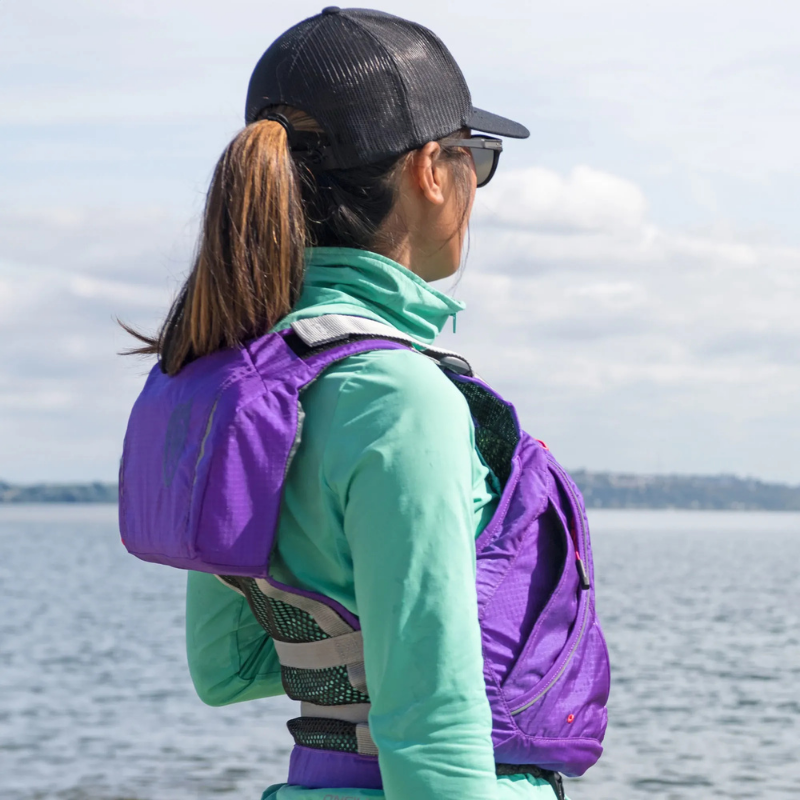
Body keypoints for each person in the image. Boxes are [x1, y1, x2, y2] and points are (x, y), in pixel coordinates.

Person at [120, 8, 609, 800]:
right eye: (476, 158)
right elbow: (430, 731)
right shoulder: (400, 400)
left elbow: (226, 668)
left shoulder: (233, 382)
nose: (476, 187)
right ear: (427, 169)